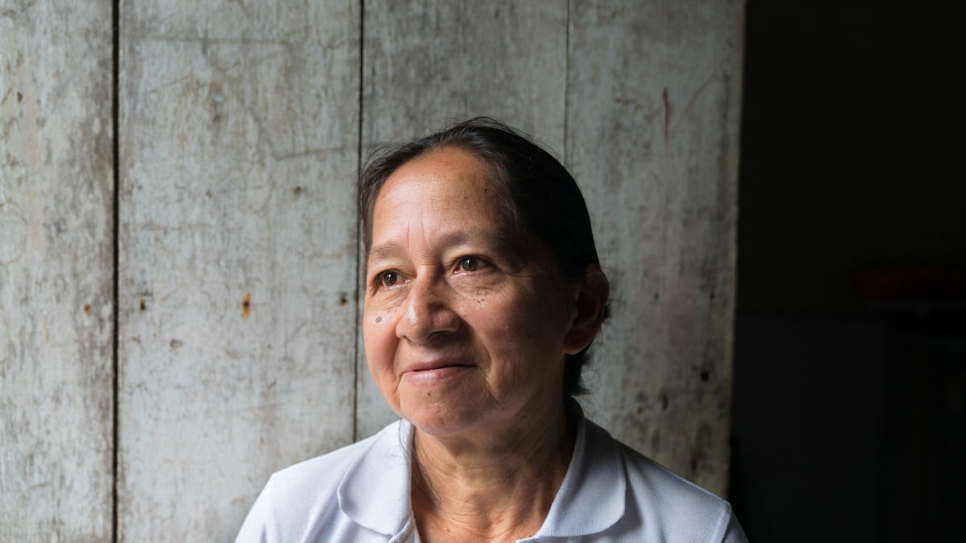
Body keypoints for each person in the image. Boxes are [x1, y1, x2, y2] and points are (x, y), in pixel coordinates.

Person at [235, 117, 748, 543]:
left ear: (582, 308)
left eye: (470, 264)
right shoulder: (295, 517)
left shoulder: (692, 533)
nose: (418, 320)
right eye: (390, 277)